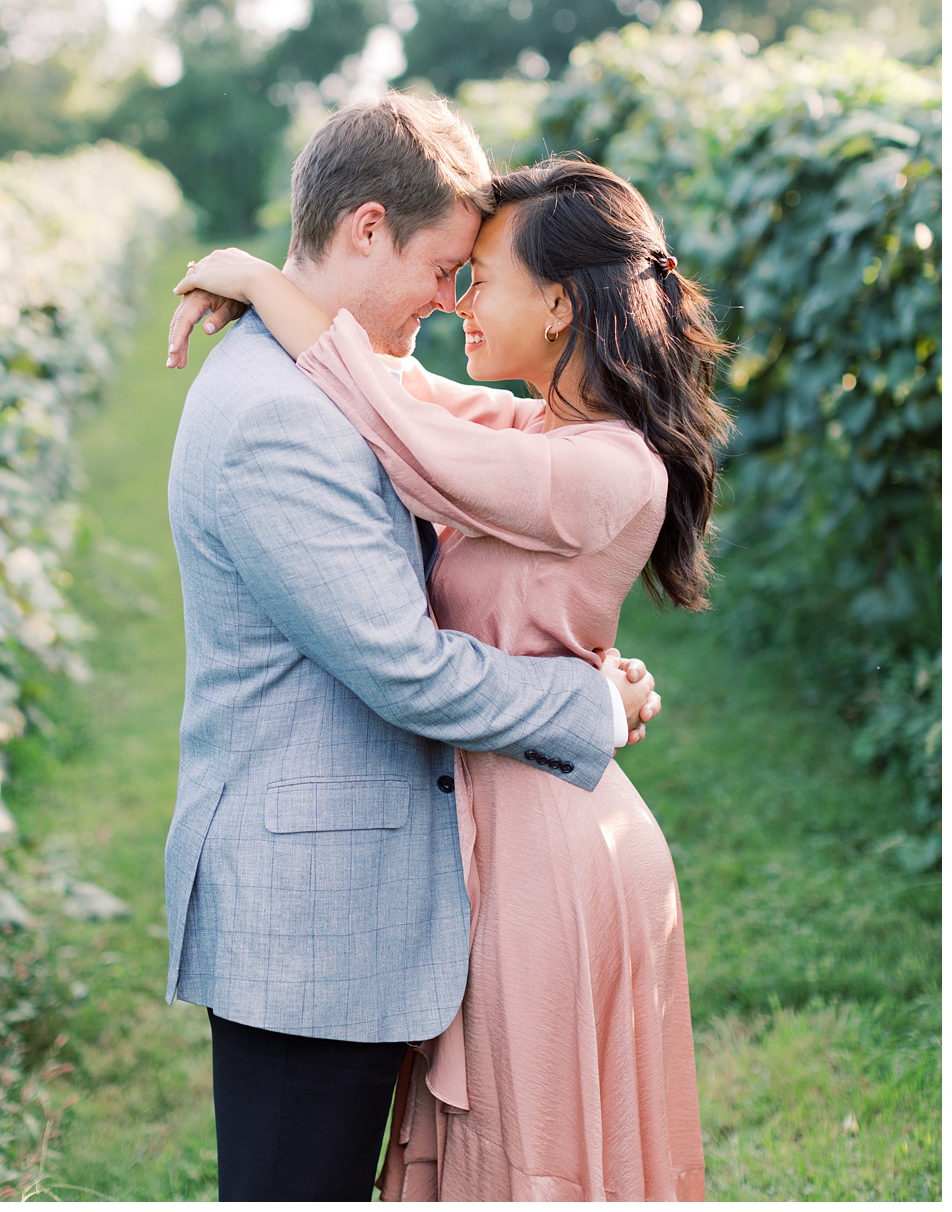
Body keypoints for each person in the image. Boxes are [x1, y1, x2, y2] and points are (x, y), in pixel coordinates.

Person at [171, 152, 724, 1199]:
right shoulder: (533, 427)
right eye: (448, 269)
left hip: (548, 849)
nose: (457, 297)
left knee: (533, 1159)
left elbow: (401, 429)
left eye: (480, 276)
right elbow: (396, 392)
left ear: (558, 304)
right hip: (493, 834)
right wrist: (257, 278)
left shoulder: (604, 464)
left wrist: (252, 277)